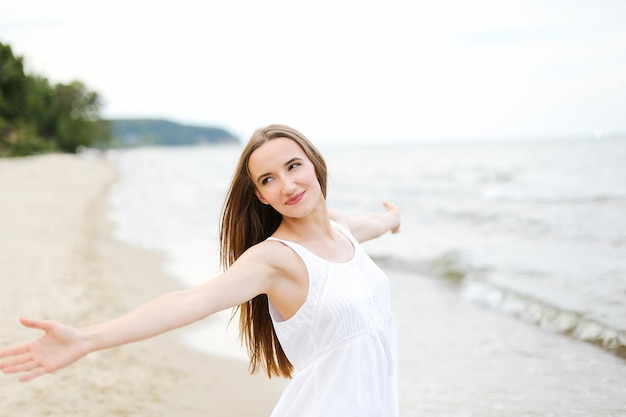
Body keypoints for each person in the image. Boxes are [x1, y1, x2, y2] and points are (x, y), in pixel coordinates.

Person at [0, 124, 401, 416]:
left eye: (293, 166)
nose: (287, 184)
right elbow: (192, 301)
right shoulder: (275, 259)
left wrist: (393, 219)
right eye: (268, 179)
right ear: (260, 195)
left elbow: (375, 223)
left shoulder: (343, 230)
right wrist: (87, 339)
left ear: (313, 162)